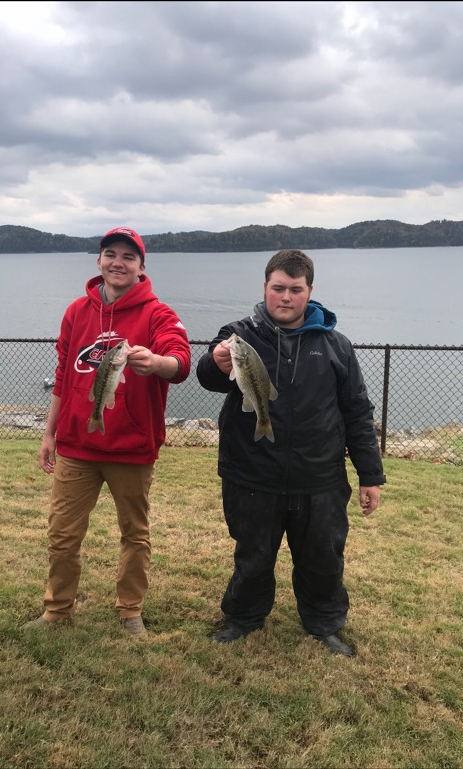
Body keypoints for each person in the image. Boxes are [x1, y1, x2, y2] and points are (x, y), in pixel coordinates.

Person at [196, 249, 385, 656]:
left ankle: (324, 623)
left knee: (323, 559)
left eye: (295, 290)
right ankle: (243, 618)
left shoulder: (336, 346)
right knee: (254, 556)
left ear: (309, 292)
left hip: (320, 479)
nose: (285, 297)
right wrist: (216, 361)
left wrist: (370, 475)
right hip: (252, 474)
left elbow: (357, 411)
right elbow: (208, 376)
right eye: (277, 288)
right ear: (265, 288)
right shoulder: (238, 335)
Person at [24, 227, 191, 637]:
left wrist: (157, 363)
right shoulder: (76, 312)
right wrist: (50, 434)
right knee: (62, 534)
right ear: (99, 261)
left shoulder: (157, 313)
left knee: (135, 534)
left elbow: (180, 359)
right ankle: (56, 611)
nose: (118, 262)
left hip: (132, 449)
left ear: (141, 267)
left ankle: (130, 609)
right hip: (77, 446)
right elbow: (64, 375)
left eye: (128, 257)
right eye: (111, 254)